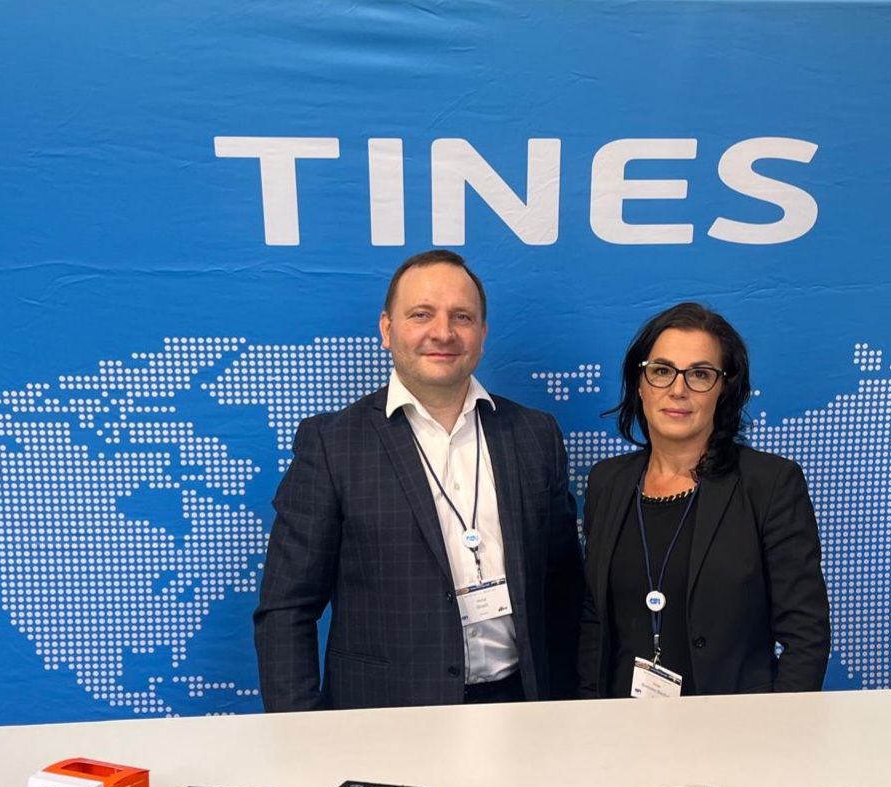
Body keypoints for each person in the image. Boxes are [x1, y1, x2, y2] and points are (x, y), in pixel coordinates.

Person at [254, 250, 584, 711]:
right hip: (383, 714)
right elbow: (287, 609)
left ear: (482, 334)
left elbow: (564, 589)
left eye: (462, 317)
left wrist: (566, 710)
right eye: (421, 314)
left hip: (519, 707)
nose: (443, 332)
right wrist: (301, 733)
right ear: (387, 329)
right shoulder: (333, 445)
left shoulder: (535, 435)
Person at [578, 302, 829, 698]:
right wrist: (589, 710)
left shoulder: (770, 484)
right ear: (640, 383)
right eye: (662, 371)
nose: (678, 390)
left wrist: (778, 724)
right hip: (622, 722)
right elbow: (594, 617)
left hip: (735, 723)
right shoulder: (607, 482)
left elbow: (806, 634)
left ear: (723, 389)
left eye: (699, 374)